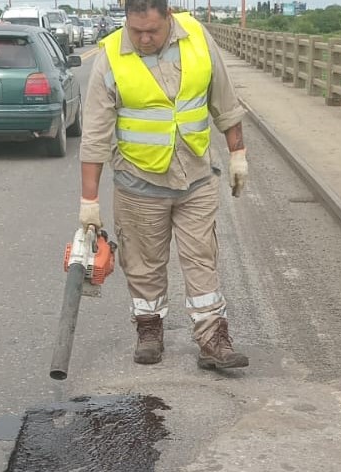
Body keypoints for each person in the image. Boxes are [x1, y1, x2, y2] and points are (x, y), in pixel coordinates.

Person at [79, 0, 250, 369]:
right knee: (143, 265)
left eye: (151, 31)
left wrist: (238, 154)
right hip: (139, 183)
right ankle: (148, 329)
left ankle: (212, 338)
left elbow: (225, 101)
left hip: (196, 178)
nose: (143, 38)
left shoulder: (198, 39)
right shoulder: (110, 56)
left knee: (201, 256)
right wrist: (88, 201)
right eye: (135, 30)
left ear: (168, 17)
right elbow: (94, 134)